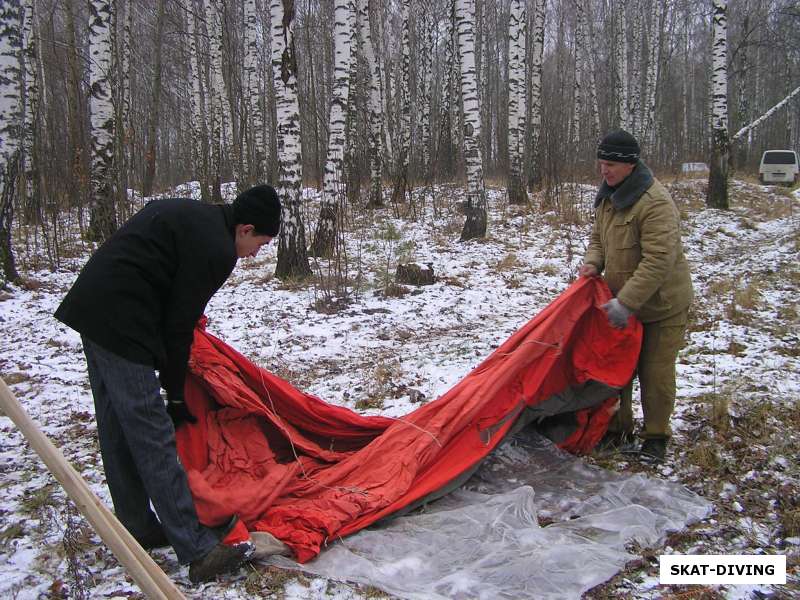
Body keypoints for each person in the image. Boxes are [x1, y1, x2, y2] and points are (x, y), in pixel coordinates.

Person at [54, 184, 281, 582]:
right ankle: (197, 548)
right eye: (259, 243)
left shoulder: (201, 217)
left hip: (94, 306)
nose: (254, 254)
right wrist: (174, 394)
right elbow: (179, 327)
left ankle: (136, 525)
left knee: (117, 425)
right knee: (151, 433)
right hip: (122, 321)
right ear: (245, 229)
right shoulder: (217, 248)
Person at [579, 130, 693, 463]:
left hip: (661, 306)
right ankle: (617, 430)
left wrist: (627, 302)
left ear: (630, 165)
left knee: (654, 373)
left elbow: (659, 260)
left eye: (611, 164)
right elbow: (598, 239)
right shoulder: (607, 196)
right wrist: (592, 263)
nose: (604, 170)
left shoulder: (655, 202)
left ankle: (656, 437)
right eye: (601, 163)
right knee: (618, 369)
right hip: (621, 303)